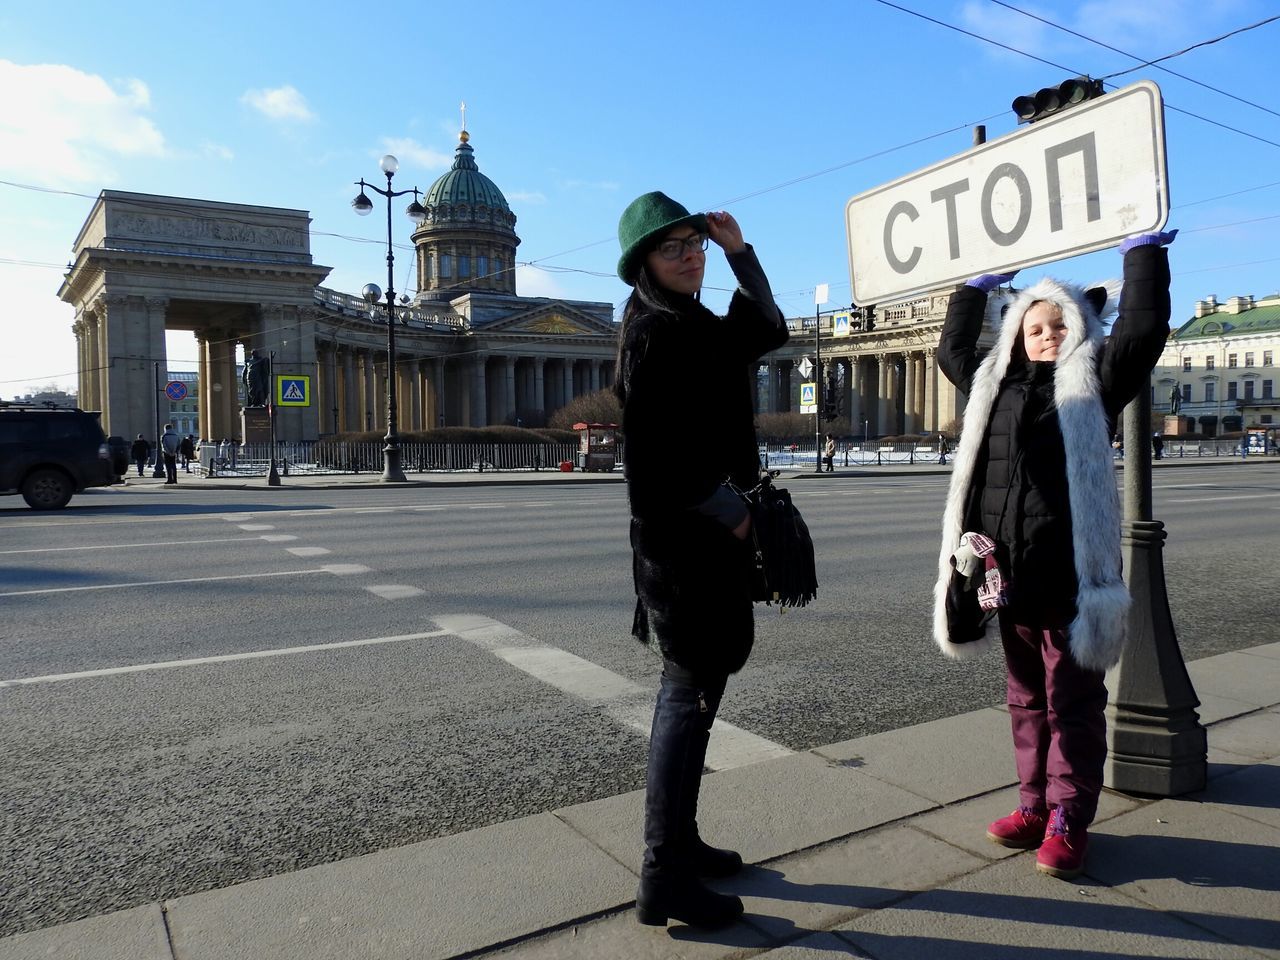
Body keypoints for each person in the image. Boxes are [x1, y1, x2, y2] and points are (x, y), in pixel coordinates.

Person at [933, 229, 1177, 881]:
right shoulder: (994, 385)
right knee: (1025, 702)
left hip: (1070, 581)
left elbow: (1145, 330)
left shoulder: (1095, 384)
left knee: (1071, 705)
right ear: (1014, 332)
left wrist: (1144, 255)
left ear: (1081, 331)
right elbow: (951, 349)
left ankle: (1070, 817)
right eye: (1033, 326)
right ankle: (1035, 806)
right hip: (1005, 580)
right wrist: (971, 289)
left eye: (1059, 326)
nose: (1046, 336)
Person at [613, 191, 788, 929]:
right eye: (672, 248)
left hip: (706, 548)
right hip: (686, 553)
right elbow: (652, 472)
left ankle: (679, 844)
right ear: (642, 265)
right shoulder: (654, 334)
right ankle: (663, 877)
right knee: (686, 701)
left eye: (694, 244)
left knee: (700, 698)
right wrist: (737, 513)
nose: (690, 256)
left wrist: (740, 252)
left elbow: (770, 329)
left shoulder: (695, 324)